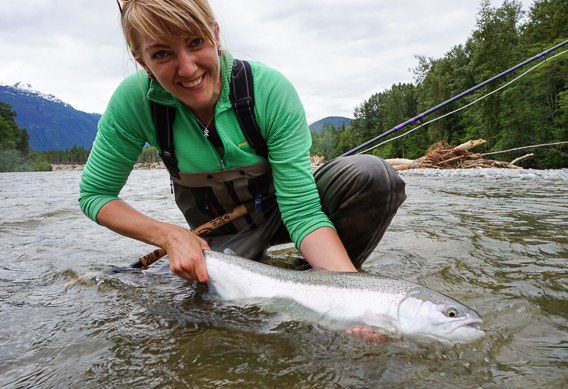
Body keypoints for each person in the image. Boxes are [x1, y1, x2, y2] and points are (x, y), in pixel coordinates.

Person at [80, 0, 406, 342]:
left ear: (215, 34)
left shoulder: (268, 90)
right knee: (192, 325)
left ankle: (316, 282)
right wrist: (169, 236)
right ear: (142, 61)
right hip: (221, 240)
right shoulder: (133, 103)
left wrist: (355, 303)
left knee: (372, 175)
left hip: (284, 212)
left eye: (195, 42)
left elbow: (303, 213)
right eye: (162, 54)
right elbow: (94, 194)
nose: (188, 69)